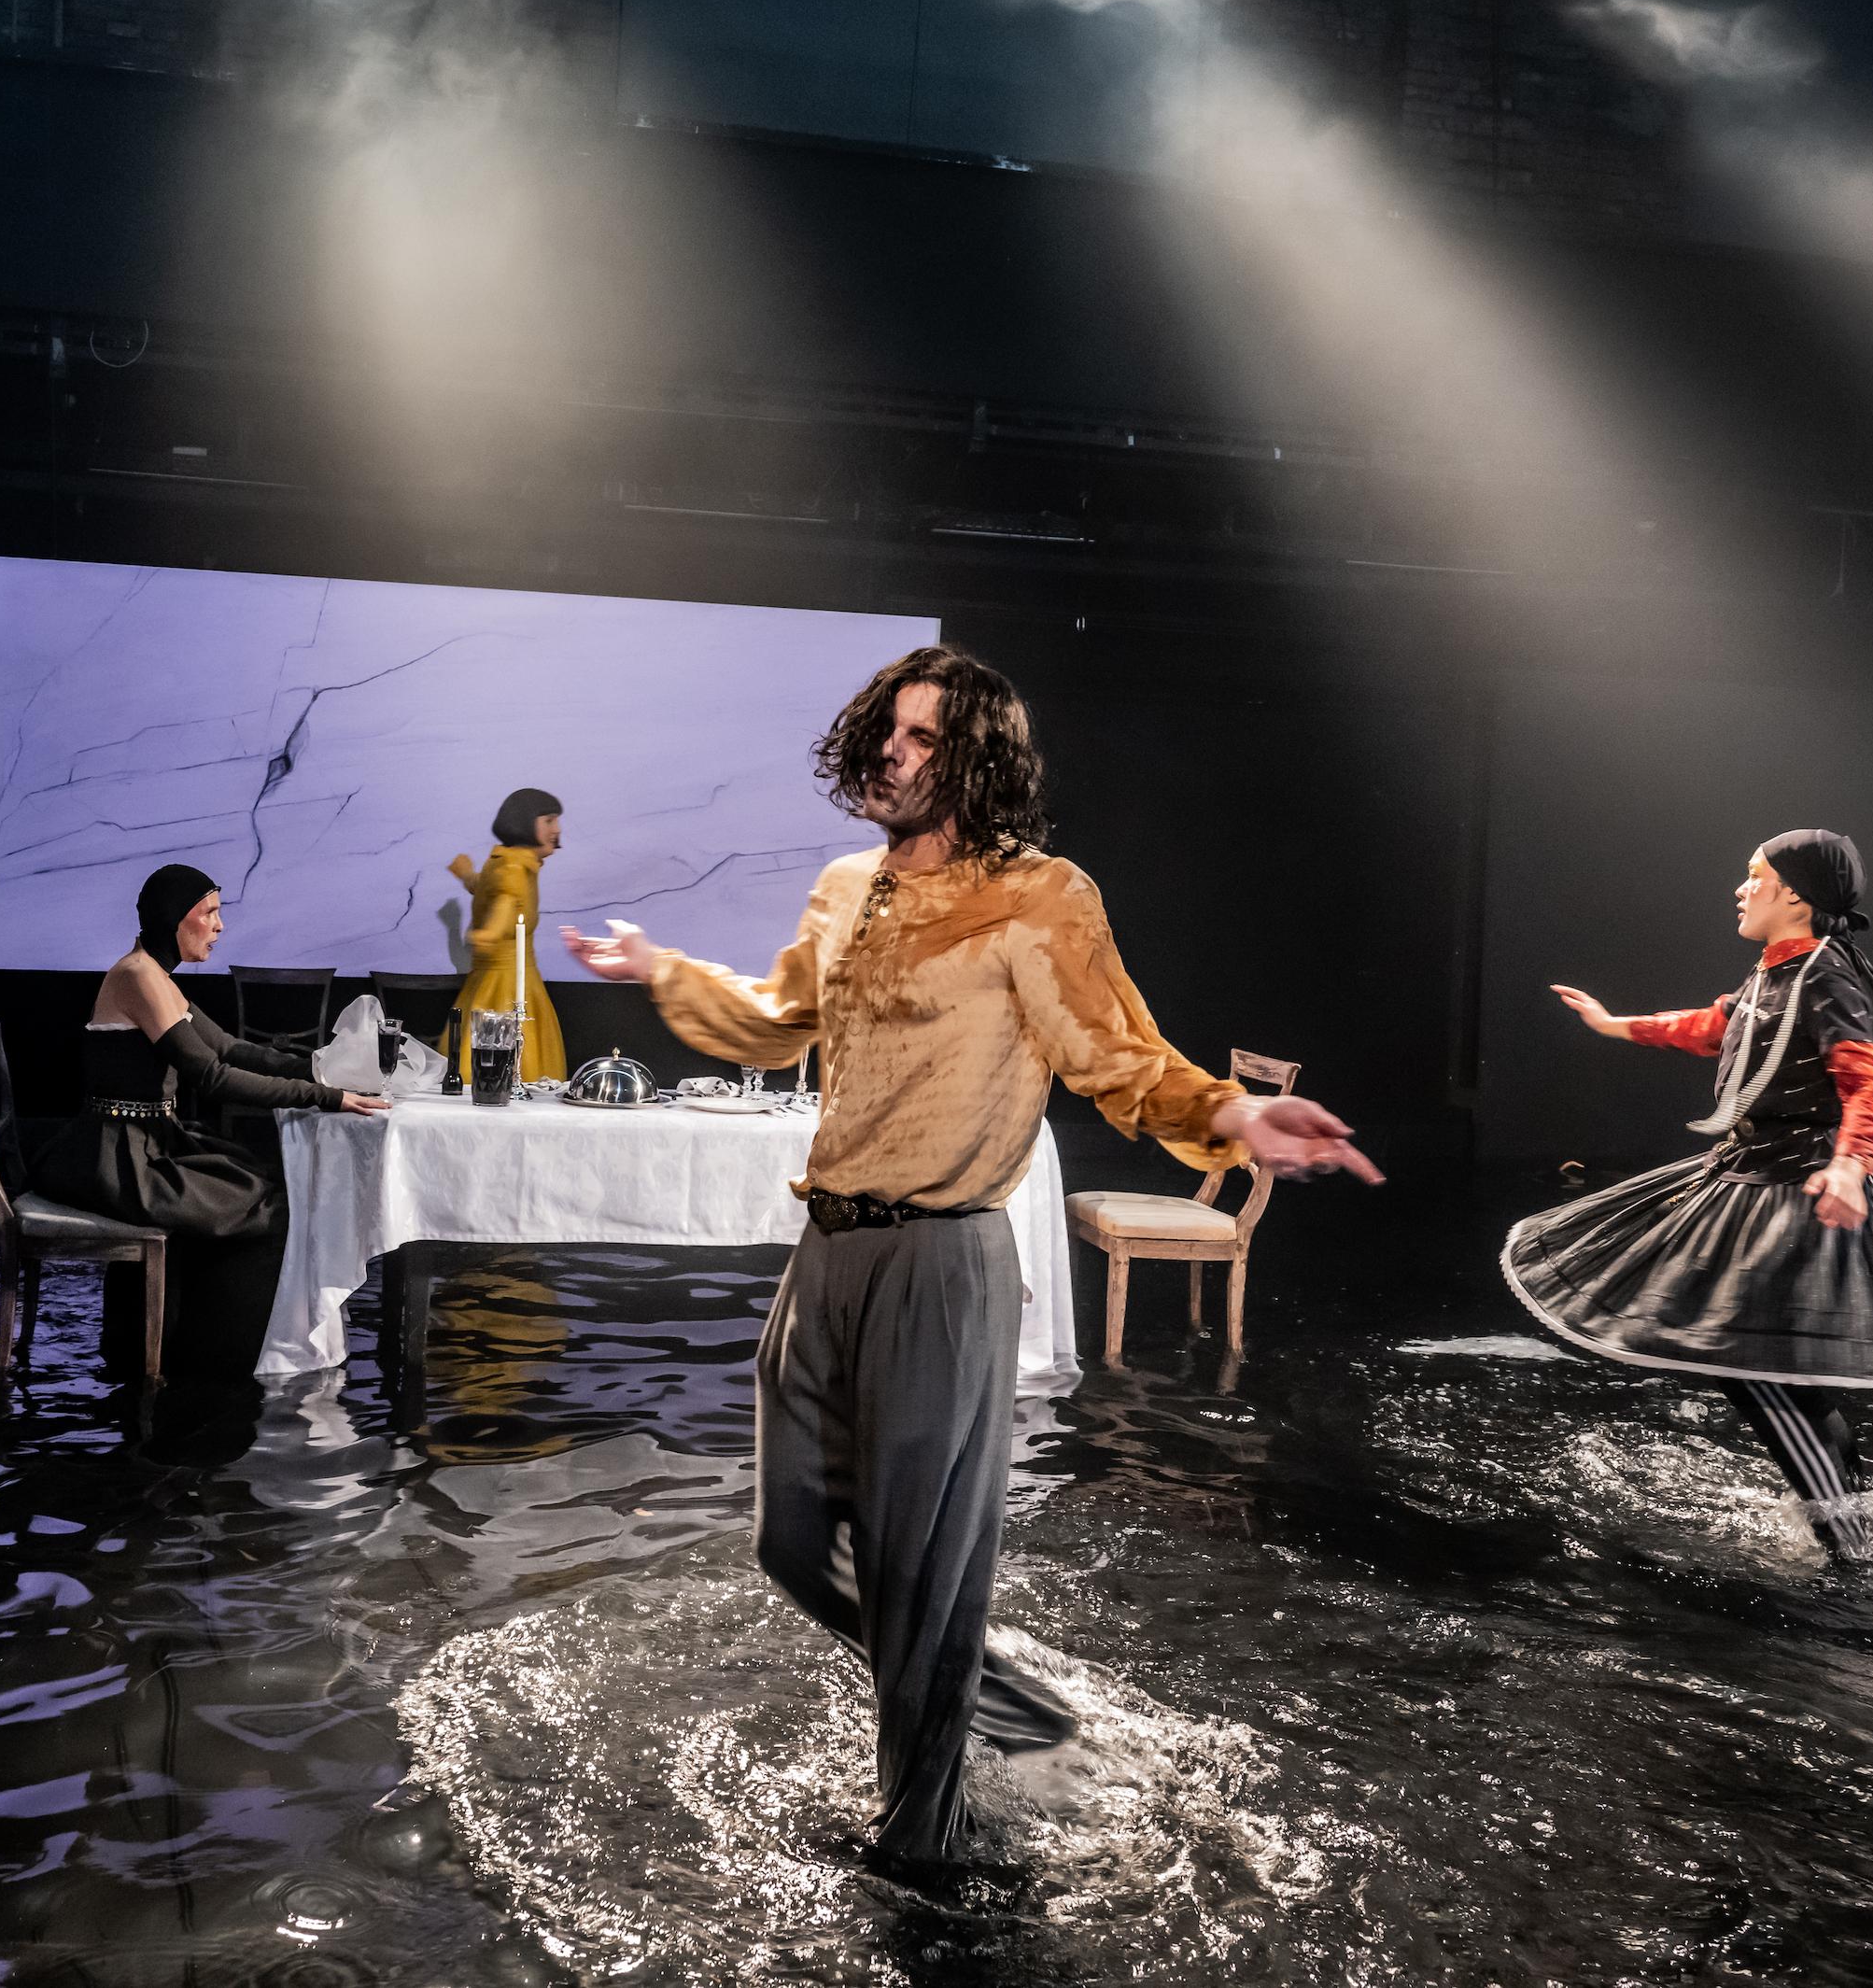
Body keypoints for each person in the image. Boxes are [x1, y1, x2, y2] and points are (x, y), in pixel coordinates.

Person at [564, 646, 1379, 1872]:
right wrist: (660, 969)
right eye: (886, 730)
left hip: (939, 1263)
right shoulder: (845, 885)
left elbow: (1118, 1057)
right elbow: (782, 1012)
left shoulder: (1037, 895)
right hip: (828, 1254)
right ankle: (1007, 1708)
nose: (893, 752)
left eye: (924, 739)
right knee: (792, 1542)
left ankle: (920, 1840)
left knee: (916, 1566)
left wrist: (1233, 1115)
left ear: (977, 760)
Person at [1518, 832, 1873, 1565]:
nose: (1739, 888)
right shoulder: (1775, 973)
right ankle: (1849, 1517)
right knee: (1768, 1367)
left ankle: (1851, 1546)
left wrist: (1851, 1168)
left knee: (1753, 1363)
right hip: (1753, 1178)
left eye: (1752, 877)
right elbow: (1712, 1027)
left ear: (1792, 893)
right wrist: (1612, 1023)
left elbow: (1867, 1082)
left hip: (1800, 1193)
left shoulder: (1826, 976)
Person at [28, 864, 386, 1249]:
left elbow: (228, 1048)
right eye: (209, 913)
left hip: (154, 1141)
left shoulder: (157, 977)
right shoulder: (138, 977)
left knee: (267, 1180)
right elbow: (212, 1076)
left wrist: (325, 1072)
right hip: (118, 1160)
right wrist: (326, 1097)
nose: (220, 926)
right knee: (270, 1207)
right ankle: (216, 1311)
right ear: (174, 918)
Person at [447, 788, 566, 1082]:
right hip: (507, 988)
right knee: (505, 1067)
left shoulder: (504, 861)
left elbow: (485, 887)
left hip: (496, 980)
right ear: (526, 823)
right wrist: (487, 934)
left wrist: (465, 875)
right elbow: (504, 905)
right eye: (549, 821)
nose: (557, 829)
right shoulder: (514, 869)